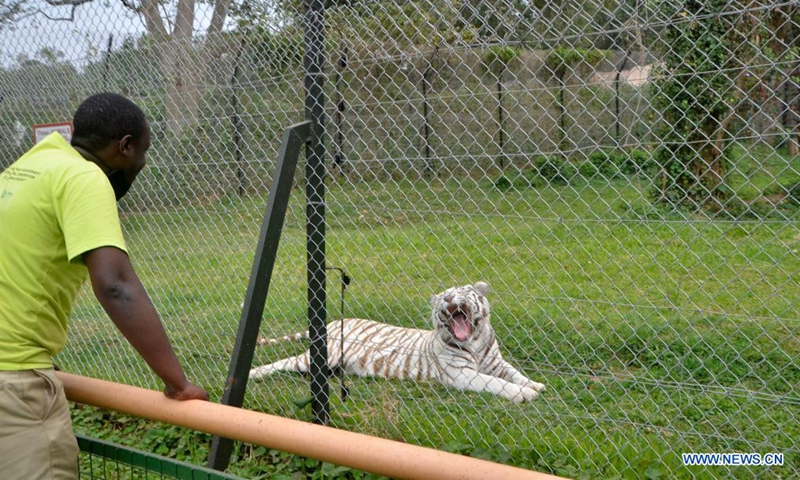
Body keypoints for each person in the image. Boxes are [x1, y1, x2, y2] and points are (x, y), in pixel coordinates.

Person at [0, 93, 209, 479]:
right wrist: (178, 384)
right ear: (125, 146)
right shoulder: (85, 177)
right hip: (12, 380)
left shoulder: (29, 165)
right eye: (143, 152)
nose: (143, 163)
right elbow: (116, 286)